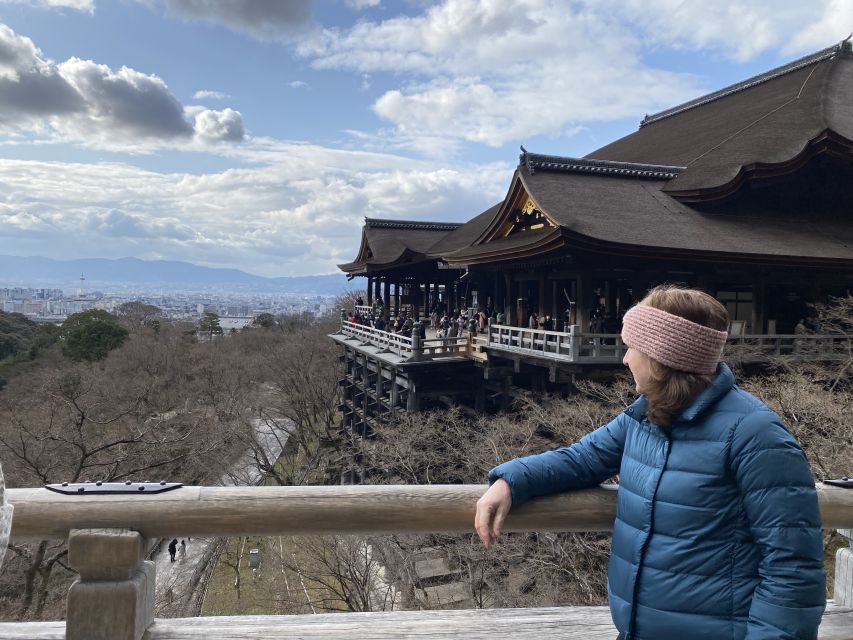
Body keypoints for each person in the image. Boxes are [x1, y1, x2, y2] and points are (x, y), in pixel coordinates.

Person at [475, 285, 825, 640]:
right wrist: (510, 481)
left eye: (634, 347)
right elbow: (582, 459)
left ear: (662, 356)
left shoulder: (755, 434)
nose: (625, 358)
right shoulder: (644, 416)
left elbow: (792, 569)